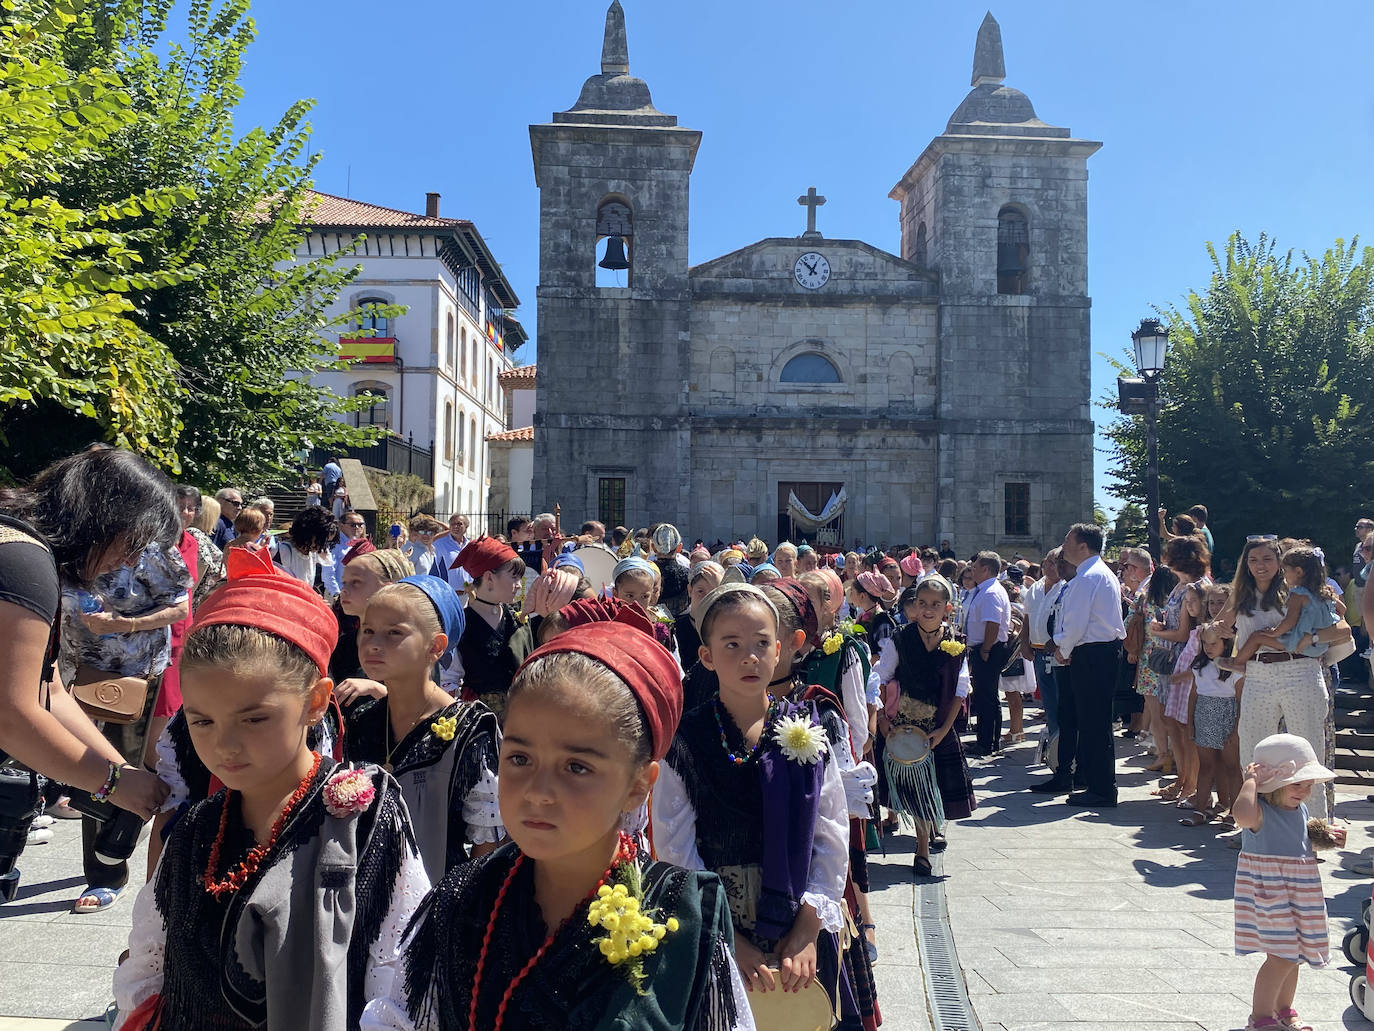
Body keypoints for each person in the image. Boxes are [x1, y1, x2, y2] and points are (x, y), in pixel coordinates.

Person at [361, 617, 754, 1031]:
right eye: (519, 759)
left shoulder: (685, 917)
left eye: (577, 767)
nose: (538, 791)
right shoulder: (461, 902)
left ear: (639, 785)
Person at [112, 547, 428, 1031]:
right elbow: (151, 962)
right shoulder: (197, 829)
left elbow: (400, 969)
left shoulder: (364, 817)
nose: (225, 745)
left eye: (255, 718)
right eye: (202, 721)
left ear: (317, 701)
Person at [652, 583, 852, 1025]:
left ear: (780, 650)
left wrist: (806, 928)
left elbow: (832, 831)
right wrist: (728, 937)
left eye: (762, 643)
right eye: (732, 644)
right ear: (706, 656)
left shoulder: (809, 729)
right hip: (717, 928)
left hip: (797, 926)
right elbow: (675, 851)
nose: (749, 656)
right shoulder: (685, 742)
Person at [0, 450, 175, 906]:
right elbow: (13, 713)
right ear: (106, 519)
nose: (127, 561)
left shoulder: (24, 550)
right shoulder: (24, 563)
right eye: (131, 543)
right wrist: (114, 784)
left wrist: (121, 774)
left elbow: (50, 689)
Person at [345, 577, 502, 882]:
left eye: (394, 633)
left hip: (437, 902)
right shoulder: (363, 719)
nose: (374, 644)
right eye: (368, 630)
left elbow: (487, 842)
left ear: (436, 646)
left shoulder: (469, 727)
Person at [1231, 734, 1343, 1031]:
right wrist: (1251, 782)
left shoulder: (1299, 810)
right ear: (1274, 784)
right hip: (1271, 895)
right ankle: (1260, 1017)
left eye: (1308, 785)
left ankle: (1282, 1009)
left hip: (1298, 893)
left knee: (1293, 957)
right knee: (1281, 956)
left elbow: (1300, 841)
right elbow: (1240, 816)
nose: (1305, 791)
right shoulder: (1259, 813)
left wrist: (1327, 837)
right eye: (1297, 784)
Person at [1218, 538, 1332, 821]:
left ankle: (1313, 831)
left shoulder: (1298, 590)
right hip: (1257, 673)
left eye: (1267, 559)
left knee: (1308, 753)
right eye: (1253, 560)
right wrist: (1210, 632)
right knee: (1253, 751)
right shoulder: (1241, 594)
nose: (1260, 566)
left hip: (1299, 669)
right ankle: (1257, 827)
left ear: (1280, 562)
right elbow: (1216, 627)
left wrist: (1309, 639)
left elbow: (1339, 626)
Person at [874, 576, 976, 877]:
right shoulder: (900, 639)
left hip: (939, 726)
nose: (928, 609)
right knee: (915, 787)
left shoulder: (955, 643)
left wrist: (945, 729)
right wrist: (881, 719)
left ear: (947, 607)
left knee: (935, 785)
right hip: (904, 726)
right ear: (913, 607)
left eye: (935, 604)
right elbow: (881, 679)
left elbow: (961, 689)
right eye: (922, 603)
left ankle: (933, 826)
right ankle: (921, 848)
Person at [1050, 523, 1126, 808]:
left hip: (1094, 654)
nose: (1064, 545)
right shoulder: (1095, 573)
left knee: (1094, 723)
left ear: (1083, 546)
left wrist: (1063, 648)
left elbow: (1076, 623)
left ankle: (1102, 789)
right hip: (1098, 653)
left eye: (1068, 540)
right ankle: (1098, 784)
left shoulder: (1088, 577)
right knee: (1095, 723)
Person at [1225, 546, 1339, 668]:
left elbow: (1290, 620)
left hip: (1298, 641)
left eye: (1285, 571)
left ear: (1299, 572)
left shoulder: (1298, 594)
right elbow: (1340, 612)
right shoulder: (1325, 593)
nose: (1283, 575)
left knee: (1257, 637)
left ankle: (1237, 663)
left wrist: (1275, 632)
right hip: (1320, 645)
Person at [455, 536, 526, 719]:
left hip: (520, 718)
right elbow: (451, 680)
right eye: (514, 577)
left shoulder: (516, 618)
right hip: (479, 722)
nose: (519, 585)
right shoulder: (462, 624)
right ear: (489, 577)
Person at [1179, 624, 1241, 827]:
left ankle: (1235, 811)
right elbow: (1193, 695)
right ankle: (1200, 810)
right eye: (1205, 643)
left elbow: (1240, 699)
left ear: (1226, 643)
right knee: (1206, 766)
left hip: (1228, 715)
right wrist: (1190, 722)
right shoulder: (1199, 666)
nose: (1209, 647)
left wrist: (1236, 729)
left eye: (1214, 643)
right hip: (1204, 715)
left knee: (1232, 767)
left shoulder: (1235, 669)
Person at [961, 552, 1012, 758]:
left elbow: (993, 623)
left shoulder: (991, 592)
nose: (972, 570)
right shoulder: (985, 590)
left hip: (988, 649)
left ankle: (987, 742)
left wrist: (985, 649)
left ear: (986, 569)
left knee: (987, 696)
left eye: (975, 567)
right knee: (985, 696)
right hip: (984, 647)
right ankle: (987, 739)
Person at [274, 506, 340, 589]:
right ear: (308, 534)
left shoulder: (312, 554)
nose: (322, 546)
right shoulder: (282, 551)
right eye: (320, 541)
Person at [324, 510, 370, 600]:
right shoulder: (335, 545)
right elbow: (328, 573)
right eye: (353, 525)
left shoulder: (363, 544)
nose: (357, 527)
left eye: (361, 524)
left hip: (358, 595)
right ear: (341, 525)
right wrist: (336, 594)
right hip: (339, 595)